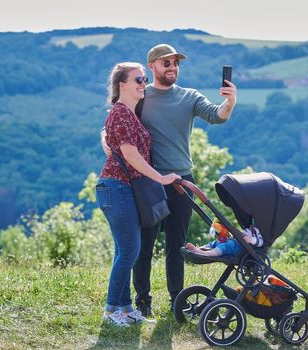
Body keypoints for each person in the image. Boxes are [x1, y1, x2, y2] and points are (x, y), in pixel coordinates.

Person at [101, 44, 237, 317]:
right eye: (166, 63)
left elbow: (216, 116)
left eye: (175, 63)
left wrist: (230, 101)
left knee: (177, 245)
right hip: (148, 182)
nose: (172, 67)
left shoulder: (189, 96)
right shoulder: (141, 95)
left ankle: (178, 301)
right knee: (143, 246)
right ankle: (142, 302)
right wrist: (105, 140)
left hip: (181, 180)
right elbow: (115, 122)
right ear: (151, 67)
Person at [96, 62, 181, 326]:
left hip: (122, 189)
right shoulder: (121, 113)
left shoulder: (129, 114)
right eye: (138, 79)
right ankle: (111, 310)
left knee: (126, 249)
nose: (143, 84)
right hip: (115, 187)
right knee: (130, 250)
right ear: (122, 84)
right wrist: (161, 178)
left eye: (144, 79)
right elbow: (131, 154)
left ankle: (125, 307)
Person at [185, 225, 264, 257]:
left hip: (240, 248)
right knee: (217, 242)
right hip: (235, 241)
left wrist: (251, 240)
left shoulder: (260, 231)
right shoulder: (251, 227)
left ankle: (205, 254)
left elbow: (261, 242)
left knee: (225, 246)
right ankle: (200, 249)